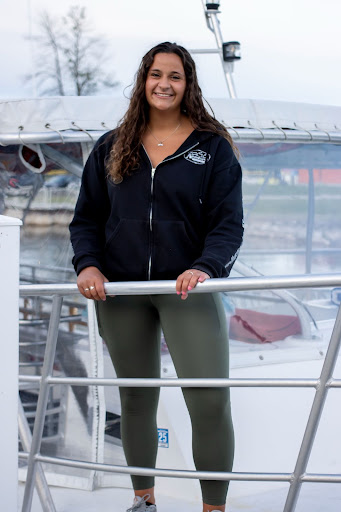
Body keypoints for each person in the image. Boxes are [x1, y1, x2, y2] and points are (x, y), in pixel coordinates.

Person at [69, 41, 243, 512]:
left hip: (186, 290)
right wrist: (87, 263)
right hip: (123, 292)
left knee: (208, 402)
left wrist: (204, 266)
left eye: (175, 76)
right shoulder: (112, 145)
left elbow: (228, 224)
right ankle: (143, 500)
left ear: (188, 85)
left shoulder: (211, 148)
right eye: (155, 74)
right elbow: (86, 218)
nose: (164, 84)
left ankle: (214, 507)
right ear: (143, 81)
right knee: (137, 400)